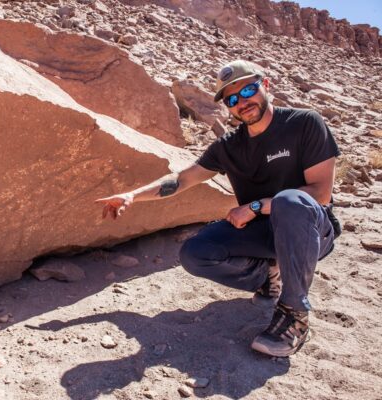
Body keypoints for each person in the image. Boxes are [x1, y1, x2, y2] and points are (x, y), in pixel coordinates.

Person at [96, 60, 341, 357]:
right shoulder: (229, 146)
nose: (242, 102)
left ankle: (294, 315)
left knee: (291, 201)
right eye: (232, 99)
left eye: (248, 90)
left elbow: (320, 194)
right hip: (264, 233)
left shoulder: (304, 123)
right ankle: (269, 275)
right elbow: (182, 179)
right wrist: (133, 195)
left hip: (311, 230)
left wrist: (254, 206)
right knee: (195, 253)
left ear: (265, 86)